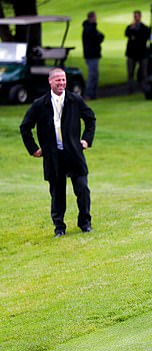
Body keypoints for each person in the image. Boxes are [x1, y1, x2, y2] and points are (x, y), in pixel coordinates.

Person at [20, 68, 97, 237]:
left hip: (74, 153)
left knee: (83, 189)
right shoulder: (40, 104)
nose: (61, 83)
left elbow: (90, 119)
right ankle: (59, 228)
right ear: (50, 82)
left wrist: (86, 140)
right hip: (53, 156)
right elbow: (25, 127)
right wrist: (33, 149)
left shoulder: (75, 100)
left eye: (63, 80)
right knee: (57, 194)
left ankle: (85, 223)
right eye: (58, 80)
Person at [124, 10, 151, 94]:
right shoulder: (130, 27)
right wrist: (132, 30)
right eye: (134, 16)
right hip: (131, 53)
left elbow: (144, 37)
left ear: (140, 17)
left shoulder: (144, 28)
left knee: (144, 72)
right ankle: (130, 89)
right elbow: (127, 34)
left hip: (142, 53)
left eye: (137, 16)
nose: (136, 18)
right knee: (130, 72)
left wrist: (135, 35)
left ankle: (144, 88)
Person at [81, 11, 105, 100]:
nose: (96, 18)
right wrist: (99, 37)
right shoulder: (90, 28)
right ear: (92, 18)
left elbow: (100, 36)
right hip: (91, 55)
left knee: (95, 75)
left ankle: (93, 94)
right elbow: (98, 38)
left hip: (92, 54)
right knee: (92, 75)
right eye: (95, 17)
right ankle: (88, 94)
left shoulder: (90, 27)